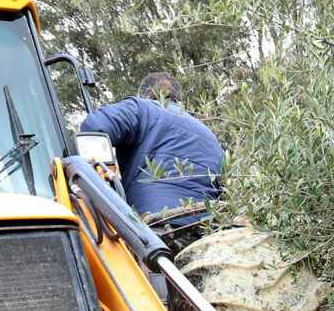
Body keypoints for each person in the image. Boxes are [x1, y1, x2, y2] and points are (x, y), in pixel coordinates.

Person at [78, 72, 225, 226]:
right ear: (178, 100)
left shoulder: (141, 108)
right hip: (206, 229)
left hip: (154, 229)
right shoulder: (210, 136)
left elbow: (95, 126)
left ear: (144, 95)